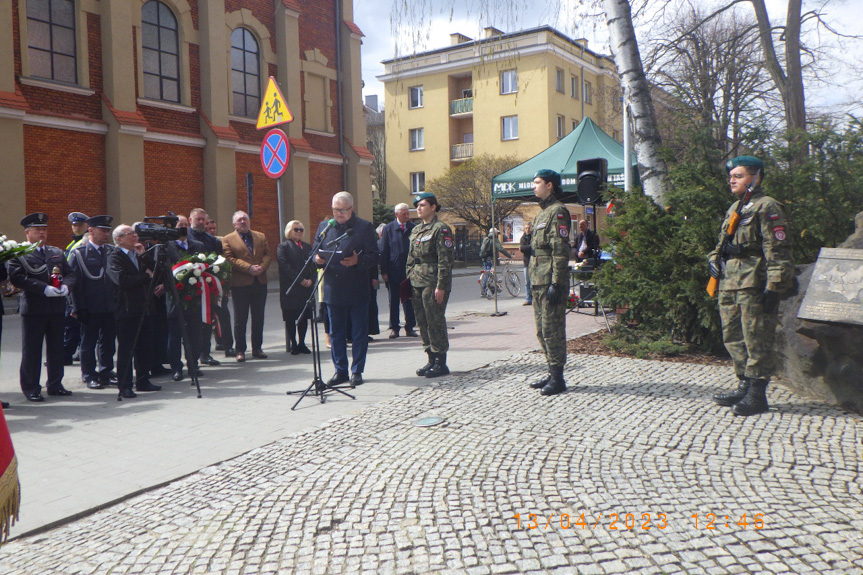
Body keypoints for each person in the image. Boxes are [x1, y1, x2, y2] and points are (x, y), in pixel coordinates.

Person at [708, 155, 794, 416]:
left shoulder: (767, 206)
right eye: (731, 176)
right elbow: (721, 244)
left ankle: (757, 394)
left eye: (738, 175)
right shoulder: (735, 208)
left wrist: (774, 286)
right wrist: (713, 260)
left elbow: (778, 249)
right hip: (730, 281)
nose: (731, 180)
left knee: (755, 337)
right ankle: (744, 384)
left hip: (753, 282)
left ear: (755, 178)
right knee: (732, 336)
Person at [8, 213, 76, 402]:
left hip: (56, 307)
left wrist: (66, 286)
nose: (42, 233)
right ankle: (31, 388)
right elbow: (17, 277)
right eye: (38, 230)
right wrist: (43, 289)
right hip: (34, 308)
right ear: (27, 232)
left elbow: (70, 273)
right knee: (32, 350)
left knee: (56, 349)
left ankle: (55, 384)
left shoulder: (55, 252)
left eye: (44, 229)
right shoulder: (19, 254)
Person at [314, 191, 380, 386]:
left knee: (359, 333)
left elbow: (376, 255)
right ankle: (340, 371)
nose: (339, 214)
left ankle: (357, 371)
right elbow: (314, 251)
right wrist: (316, 260)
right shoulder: (325, 227)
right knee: (336, 333)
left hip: (357, 287)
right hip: (333, 288)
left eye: (343, 210)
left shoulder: (364, 227)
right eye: (335, 210)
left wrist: (358, 260)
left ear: (351, 209)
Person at [528, 170, 572, 396]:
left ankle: (558, 377)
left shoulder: (558, 212)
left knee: (552, 329)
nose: (533, 186)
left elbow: (560, 251)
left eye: (537, 183)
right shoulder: (542, 213)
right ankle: (550, 370)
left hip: (549, 280)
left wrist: (557, 283)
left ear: (550, 185)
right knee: (541, 330)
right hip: (538, 279)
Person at [107, 224, 162, 398]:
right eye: (129, 234)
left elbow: (157, 271)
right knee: (126, 349)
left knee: (145, 346)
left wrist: (143, 255)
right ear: (119, 239)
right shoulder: (114, 257)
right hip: (126, 308)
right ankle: (125, 385)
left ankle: (143, 380)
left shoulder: (139, 254)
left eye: (134, 233)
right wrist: (146, 276)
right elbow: (123, 280)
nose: (134, 236)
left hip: (145, 307)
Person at [407, 192, 455, 378]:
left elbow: (445, 260)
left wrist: (441, 285)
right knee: (422, 321)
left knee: (435, 321)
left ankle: (441, 362)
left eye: (423, 205)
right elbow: (411, 257)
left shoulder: (441, 229)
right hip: (417, 280)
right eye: (417, 205)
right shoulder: (416, 230)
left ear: (433, 207)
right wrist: (409, 276)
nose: (418, 208)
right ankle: (430, 358)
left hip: (432, 281)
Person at [68, 215, 117, 390]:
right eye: (102, 231)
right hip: (89, 306)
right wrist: (77, 307)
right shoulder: (79, 253)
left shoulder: (111, 251)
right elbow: (74, 283)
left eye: (108, 231)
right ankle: (89, 374)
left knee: (108, 341)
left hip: (109, 305)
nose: (106, 234)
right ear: (91, 231)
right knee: (88, 342)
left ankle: (106, 372)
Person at [222, 211, 271, 362]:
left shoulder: (260, 236)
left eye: (245, 219)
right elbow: (229, 258)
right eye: (239, 220)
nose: (243, 222)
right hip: (240, 284)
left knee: (258, 317)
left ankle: (257, 348)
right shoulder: (228, 239)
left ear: (249, 221)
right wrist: (249, 268)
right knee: (240, 319)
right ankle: (240, 350)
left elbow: (268, 255)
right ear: (234, 224)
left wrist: (262, 267)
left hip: (259, 282)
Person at [165, 215, 205, 382]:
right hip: (174, 297)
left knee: (195, 333)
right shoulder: (166, 246)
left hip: (194, 297)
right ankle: (176, 368)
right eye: (178, 225)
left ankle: (193, 364)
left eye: (184, 225)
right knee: (175, 335)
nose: (182, 227)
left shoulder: (198, 246)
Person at [189, 207, 230, 364]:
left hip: (208, 286)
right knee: (192, 323)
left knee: (207, 321)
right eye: (197, 219)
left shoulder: (212, 241)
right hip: (190, 287)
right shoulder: (185, 238)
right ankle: (192, 356)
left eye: (202, 219)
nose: (200, 222)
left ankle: (205, 354)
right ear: (191, 219)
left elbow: (220, 262)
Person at [379, 203, 417, 339]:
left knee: (409, 299)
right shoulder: (389, 229)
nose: (407, 216)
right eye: (404, 214)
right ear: (397, 214)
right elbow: (384, 251)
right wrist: (384, 271)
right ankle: (394, 328)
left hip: (409, 271)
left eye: (408, 213)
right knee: (393, 301)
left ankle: (410, 326)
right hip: (393, 270)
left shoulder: (413, 228)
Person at [277, 220, 314, 355]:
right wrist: (300, 280)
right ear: (289, 231)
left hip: (305, 288)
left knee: (303, 316)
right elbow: (285, 266)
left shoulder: (307, 246)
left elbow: (312, 265)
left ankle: (302, 342)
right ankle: (293, 343)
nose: (299, 232)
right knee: (291, 316)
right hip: (291, 287)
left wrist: (310, 279)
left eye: (301, 229)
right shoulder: (283, 246)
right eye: (296, 229)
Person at [63, 211, 89, 365]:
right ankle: (73, 351)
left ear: (87, 226)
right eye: (74, 225)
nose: (77, 228)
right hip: (71, 285)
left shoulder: (83, 242)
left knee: (71, 322)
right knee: (74, 324)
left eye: (80, 225)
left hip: (76, 287)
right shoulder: (72, 243)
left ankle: (66, 353)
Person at [479, 228, 512, 297]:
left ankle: (494, 290)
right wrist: (509, 256)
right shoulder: (495, 240)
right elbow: (501, 249)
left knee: (491, 274)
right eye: (497, 233)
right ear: (495, 233)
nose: (497, 235)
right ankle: (484, 290)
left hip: (485, 259)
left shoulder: (486, 239)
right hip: (490, 259)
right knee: (488, 275)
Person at [520, 222, 533, 306]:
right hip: (526, 262)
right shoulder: (523, 238)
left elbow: (535, 246)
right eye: (526, 228)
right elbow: (522, 249)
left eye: (529, 228)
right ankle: (528, 299)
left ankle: (534, 298)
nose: (528, 229)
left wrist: (527, 247)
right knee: (527, 282)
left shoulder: (534, 236)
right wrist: (530, 246)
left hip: (534, 261)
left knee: (533, 281)